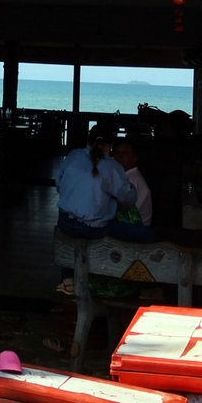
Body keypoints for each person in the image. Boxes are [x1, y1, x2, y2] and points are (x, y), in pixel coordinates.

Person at [54, 126, 142, 297]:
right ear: (110, 146)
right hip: (94, 229)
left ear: (88, 140)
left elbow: (59, 183)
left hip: (65, 222)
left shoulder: (73, 156)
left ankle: (68, 278)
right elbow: (127, 197)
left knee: (71, 235)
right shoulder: (111, 166)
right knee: (145, 235)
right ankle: (145, 285)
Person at [110, 141, 153, 228]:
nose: (119, 156)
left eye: (124, 153)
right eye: (117, 152)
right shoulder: (124, 176)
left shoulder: (133, 180)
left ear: (134, 159)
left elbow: (123, 214)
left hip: (135, 230)